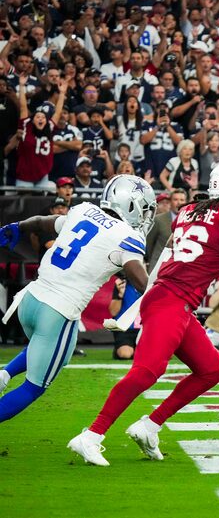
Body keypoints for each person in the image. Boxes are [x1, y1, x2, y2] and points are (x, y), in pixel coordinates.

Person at [68, 161, 219, 466]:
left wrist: (136, 307)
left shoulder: (190, 210)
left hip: (171, 299)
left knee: (211, 368)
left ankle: (149, 426)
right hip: (172, 302)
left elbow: (163, 261)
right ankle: (92, 435)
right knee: (147, 372)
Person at [0, 175, 156, 422]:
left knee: (61, 347)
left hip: (30, 299)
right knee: (35, 386)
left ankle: (5, 375)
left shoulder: (83, 210)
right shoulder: (128, 237)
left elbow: (42, 222)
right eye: (145, 210)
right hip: (56, 312)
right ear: (131, 205)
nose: (146, 217)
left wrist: (19, 227)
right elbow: (141, 281)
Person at [14, 78, 68, 188]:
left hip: (42, 174)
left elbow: (57, 112)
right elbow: (23, 108)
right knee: (24, 202)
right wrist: (21, 85)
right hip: (25, 175)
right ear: (32, 120)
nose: (40, 119)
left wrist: (62, 93)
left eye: (43, 117)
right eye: (37, 117)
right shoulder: (26, 127)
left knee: (47, 195)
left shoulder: (49, 127)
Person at [109, 277, 142, 360]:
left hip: (144, 329)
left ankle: (139, 350)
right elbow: (113, 312)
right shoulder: (121, 284)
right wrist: (120, 295)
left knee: (163, 354)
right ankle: (123, 349)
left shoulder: (151, 284)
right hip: (125, 329)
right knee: (125, 354)